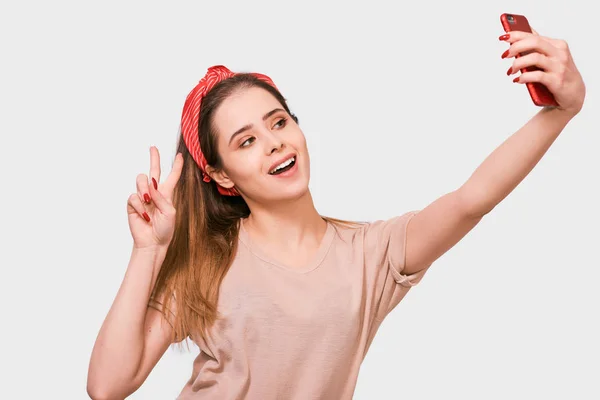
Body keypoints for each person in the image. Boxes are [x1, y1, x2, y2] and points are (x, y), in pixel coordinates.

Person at [87, 28, 585, 400]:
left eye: (278, 121)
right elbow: (108, 385)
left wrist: (561, 111)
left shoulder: (372, 255)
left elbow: (471, 199)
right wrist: (148, 251)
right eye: (246, 141)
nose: (274, 142)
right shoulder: (207, 263)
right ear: (221, 176)